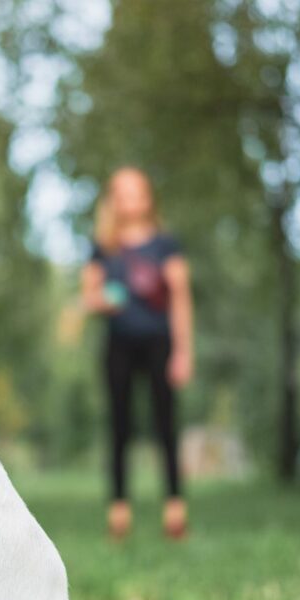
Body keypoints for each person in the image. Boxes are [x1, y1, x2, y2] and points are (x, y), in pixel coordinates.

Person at [81, 167, 194, 540]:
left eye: (138, 192)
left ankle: (175, 510)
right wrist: (103, 302)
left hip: (159, 343)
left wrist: (183, 352)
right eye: (124, 194)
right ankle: (119, 513)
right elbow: (89, 296)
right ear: (114, 201)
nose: (133, 200)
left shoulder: (165, 245)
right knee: (120, 428)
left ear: (148, 198)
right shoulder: (104, 247)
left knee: (166, 426)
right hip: (120, 345)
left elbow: (180, 299)